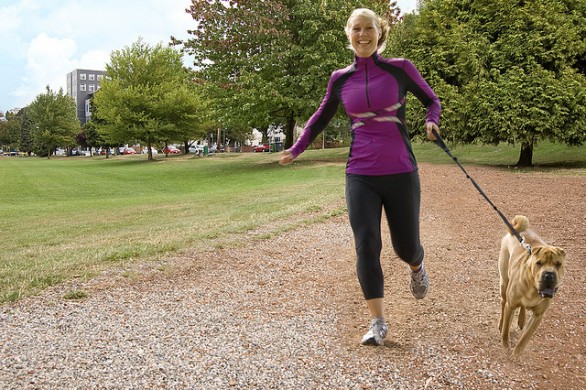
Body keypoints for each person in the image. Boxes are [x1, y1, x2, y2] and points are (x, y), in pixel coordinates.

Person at [279, 8, 441, 346]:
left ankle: (417, 265)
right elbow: (319, 118)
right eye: (357, 29)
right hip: (360, 174)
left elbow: (431, 100)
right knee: (366, 243)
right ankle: (378, 321)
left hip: (400, 170)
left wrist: (431, 119)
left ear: (378, 34)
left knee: (405, 246)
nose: (363, 34)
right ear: (348, 34)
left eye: (369, 28)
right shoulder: (340, 79)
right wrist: (295, 150)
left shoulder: (400, 69)